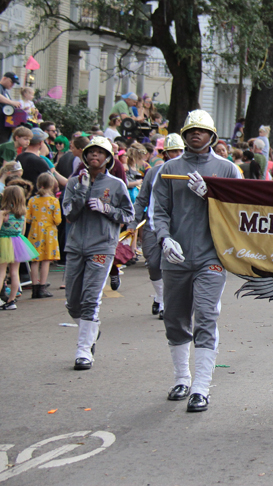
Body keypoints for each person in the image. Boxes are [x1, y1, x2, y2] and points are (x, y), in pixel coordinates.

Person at [151, 110, 241, 412]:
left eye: (201, 131)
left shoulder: (227, 169)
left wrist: (213, 197)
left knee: (206, 315)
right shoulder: (168, 168)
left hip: (211, 257)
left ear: (213, 136)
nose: (195, 135)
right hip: (174, 256)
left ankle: (201, 387)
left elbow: (240, 212)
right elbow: (158, 211)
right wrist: (164, 238)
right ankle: (181, 378)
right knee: (174, 318)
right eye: (190, 130)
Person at [62, 136, 134, 369]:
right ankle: (90, 331)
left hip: (102, 246)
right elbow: (69, 215)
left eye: (99, 153)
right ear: (84, 157)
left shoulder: (116, 185)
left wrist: (107, 208)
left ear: (107, 158)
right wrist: (82, 192)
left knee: (90, 298)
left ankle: (83, 350)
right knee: (73, 303)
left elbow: (128, 215)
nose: (95, 156)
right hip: (75, 246)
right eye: (91, 153)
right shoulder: (74, 182)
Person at [133, 133, 184, 320]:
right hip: (153, 225)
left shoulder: (188, 173)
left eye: (179, 151)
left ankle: (165, 302)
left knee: (173, 266)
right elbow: (142, 199)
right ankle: (160, 295)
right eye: (172, 151)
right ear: (165, 153)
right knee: (154, 264)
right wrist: (133, 221)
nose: (176, 154)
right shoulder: (153, 173)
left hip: (178, 227)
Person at [25, 172, 61, 299]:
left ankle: (34, 287)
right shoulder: (54, 201)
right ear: (51, 185)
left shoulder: (32, 200)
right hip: (49, 233)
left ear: (38, 184)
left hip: (35, 232)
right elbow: (57, 220)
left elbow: (28, 218)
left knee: (35, 261)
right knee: (46, 261)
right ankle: (42, 287)